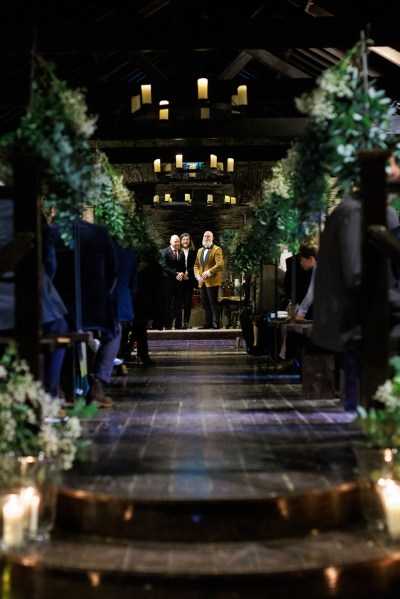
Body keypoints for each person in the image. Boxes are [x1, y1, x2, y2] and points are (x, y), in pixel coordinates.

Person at [312, 194, 399, 409]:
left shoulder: (380, 215)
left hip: (373, 324)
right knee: (367, 412)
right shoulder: (353, 214)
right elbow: (356, 278)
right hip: (364, 326)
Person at [0, 200, 69, 399]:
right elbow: (49, 261)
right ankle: (47, 394)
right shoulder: (20, 207)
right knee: (59, 326)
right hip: (30, 304)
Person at [52, 218, 121, 408]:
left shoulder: (51, 231)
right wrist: (103, 296)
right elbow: (113, 272)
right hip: (94, 308)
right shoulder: (99, 232)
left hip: (59, 305)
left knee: (58, 331)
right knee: (114, 332)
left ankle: (59, 389)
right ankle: (98, 384)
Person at [131, 246, 165, 365]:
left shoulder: (139, 265)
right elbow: (158, 291)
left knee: (136, 328)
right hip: (144, 302)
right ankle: (142, 353)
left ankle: (128, 352)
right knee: (140, 329)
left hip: (135, 301)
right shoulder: (154, 267)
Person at [114, 242, 138, 375]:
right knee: (121, 335)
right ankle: (119, 360)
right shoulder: (129, 255)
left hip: (100, 302)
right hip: (123, 302)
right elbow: (133, 285)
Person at [194, 230, 224, 329]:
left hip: (213, 281)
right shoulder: (199, 251)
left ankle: (216, 324)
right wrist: (198, 276)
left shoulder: (217, 249)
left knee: (213, 304)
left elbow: (220, 265)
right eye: (205, 236)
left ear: (212, 238)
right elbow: (196, 265)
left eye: (208, 236)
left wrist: (208, 272)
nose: (206, 238)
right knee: (205, 304)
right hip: (202, 282)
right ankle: (208, 323)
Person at [161, 234, 185, 329]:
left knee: (178, 303)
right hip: (168, 282)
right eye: (175, 241)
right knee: (168, 303)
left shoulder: (181, 252)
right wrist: (176, 274)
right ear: (171, 242)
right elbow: (164, 266)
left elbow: (183, 266)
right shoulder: (165, 251)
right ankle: (167, 324)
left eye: (178, 241)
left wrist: (182, 273)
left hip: (179, 282)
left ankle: (178, 325)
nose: (177, 243)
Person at [179, 232, 197, 329]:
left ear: (190, 241)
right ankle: (176, 323)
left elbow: (196, 266)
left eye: (187, 239)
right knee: (177, 302)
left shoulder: (194, 252)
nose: (185, 241)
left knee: (187, 302)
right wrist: (181, 274)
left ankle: (186, 322)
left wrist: (187, 274)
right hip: (178, 280)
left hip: (189, 280)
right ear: (181, 241)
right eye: (184, 239)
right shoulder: (177, 252)